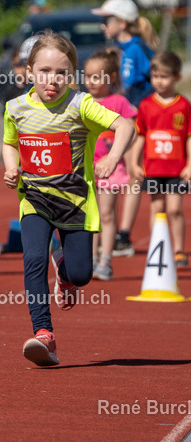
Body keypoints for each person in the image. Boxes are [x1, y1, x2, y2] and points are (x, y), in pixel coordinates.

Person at [3, 32, 134, 367]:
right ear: (29, 71)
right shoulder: (15, 108)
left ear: (72, 76)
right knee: (32, 259)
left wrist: (112, 158)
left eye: (62, 73)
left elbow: (125, 127)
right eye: (45, 71)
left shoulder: (81, 105)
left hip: (75, 203)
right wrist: (11, 167)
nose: (53, 79)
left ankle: (64, 269)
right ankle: (44, 333)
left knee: (82, 275)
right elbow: (10, 142)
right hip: (34, 200)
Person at [93, 0, 158, 257]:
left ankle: (123, 236)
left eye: (106, 20)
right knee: (113, 175)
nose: (103, 26)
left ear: (121, 23)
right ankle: (110, 232)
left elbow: (137, 86)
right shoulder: (120, 50)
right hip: (122, 119)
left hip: (136, 120)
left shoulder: (135, 49)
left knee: (132, 174)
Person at [131, 51, 191, 267]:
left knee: (175, 209)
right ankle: (158, 249)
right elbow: (140, 136)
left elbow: (188, 138)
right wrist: (134, 163)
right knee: (157, 210)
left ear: (176, 77)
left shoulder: (183, 105)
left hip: (176, 169)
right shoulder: (146, 105)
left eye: (164, 76)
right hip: (153, 168)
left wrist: (190, 165)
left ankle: (178, 250)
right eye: (155, 76)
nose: (159, 81)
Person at [83, 49, 137, 281]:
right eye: (87, 76)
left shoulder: (119, 102)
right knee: (88, 215)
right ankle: (90, 258)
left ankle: (105, 260)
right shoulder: (81, 102)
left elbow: (132, 133)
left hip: (111, 168)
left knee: (106, 213)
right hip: (86, 168)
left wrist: (118, 156)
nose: (91, 82)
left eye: (97, 76)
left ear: (111, 77)